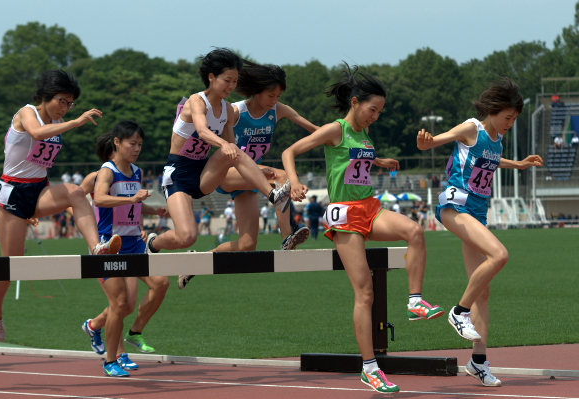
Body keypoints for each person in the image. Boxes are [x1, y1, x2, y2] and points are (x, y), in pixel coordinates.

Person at [282, 63, 445, 394]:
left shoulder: (363, 135)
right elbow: (290, 151)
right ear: (355, 102)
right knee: (365, 292)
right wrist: (295, 181)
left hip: (369, 206)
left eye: (380, 111)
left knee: (415, 231)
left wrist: (378, 160)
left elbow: (354, 161)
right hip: (344, 214)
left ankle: (415, 301)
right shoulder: (335, 129)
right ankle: (370, 368)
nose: (376, 116)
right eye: (373, 109)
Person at [417, 77, 543, 387]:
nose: (510, 123)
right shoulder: (472, 127)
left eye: (514, 119)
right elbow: (439, 139)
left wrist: (519, 164)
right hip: (454, 205)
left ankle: (479, 361)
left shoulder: (496, 138)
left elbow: (492, 160)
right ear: (493, 110)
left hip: (477, 212)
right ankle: (459, 312)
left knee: (483, 290)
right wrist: (427, 142)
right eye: (508, 117)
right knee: (499, 255)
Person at [0, 70, 121, 344]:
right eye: (62, 101)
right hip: (13, 193)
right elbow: (36, 133)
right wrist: (74, 122)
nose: (65, 107)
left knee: (75, 192)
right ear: (47, 96)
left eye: (70, 103)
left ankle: (97, 248)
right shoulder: (27, 113)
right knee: (10, 266)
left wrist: (46, 203)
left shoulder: (58, 122)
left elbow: (41, 163)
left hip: (38, 188)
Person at [143, 49, 290, 260]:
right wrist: (224, 144)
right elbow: (202, 130)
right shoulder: (196, 101)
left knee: (232, 152)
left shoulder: (228, 110)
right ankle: (153, 242)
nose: (231, 86)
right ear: (211, 77)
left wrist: (255, 167)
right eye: (227, 80)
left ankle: (273, 195)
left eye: (235, 81)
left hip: (204, 174)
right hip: (179, 175)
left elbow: (233, 151)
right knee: (187, 237)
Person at [81, 122, 170, 377]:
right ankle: (111, 359)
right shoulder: (107, 172)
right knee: (120, 304)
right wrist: (132, 199)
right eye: (132, 143)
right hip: (110, 245)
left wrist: (156, 209)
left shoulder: (137, 172)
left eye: (140, 144)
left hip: (134, 243)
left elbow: (134, 207)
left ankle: (103, 327)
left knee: (159, 283)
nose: (137, 148)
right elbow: (98, 199)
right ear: (117, 142)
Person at [212, 60, 317, 253]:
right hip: (228, 173)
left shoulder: (278, 110)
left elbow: (317, 131)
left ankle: (198, 261)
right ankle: (287, 237)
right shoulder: (235, 112)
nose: (274, 100)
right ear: (257, 91)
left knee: (247, 245)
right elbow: (208, 134)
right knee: (280, 176)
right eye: (270, 95)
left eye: (278, 96)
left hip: (251, 180)